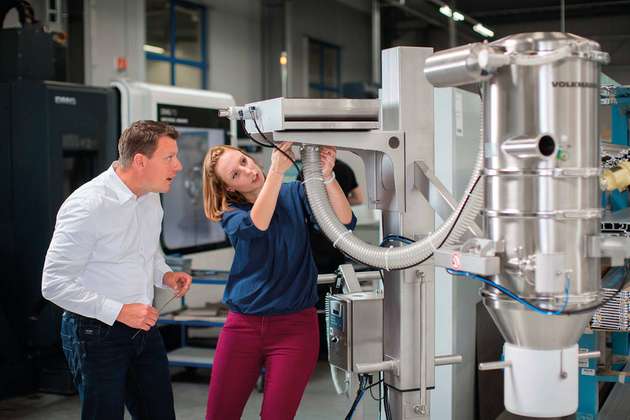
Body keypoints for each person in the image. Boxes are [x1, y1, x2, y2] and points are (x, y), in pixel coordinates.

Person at [41, 120, 193, 420]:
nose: (178, 166)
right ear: (140, 161)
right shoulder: (88, 205)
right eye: (169, 157)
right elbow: (54, 283)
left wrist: (164, 274)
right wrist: (119, 311)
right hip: (94, 333)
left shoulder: (150, 198)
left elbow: (146, 252)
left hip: (143, 328)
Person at [202, 143, 356, 420]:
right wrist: (275, 171)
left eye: (245, 161)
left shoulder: (294, 193)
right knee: (219, 415)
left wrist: (328, 176)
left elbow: (344, 223)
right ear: (230, 189)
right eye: (236, 174)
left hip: (295, 328)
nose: (248, 171)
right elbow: (257, 225)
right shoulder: (232, 215)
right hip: (243, 327)